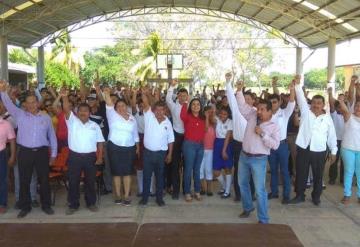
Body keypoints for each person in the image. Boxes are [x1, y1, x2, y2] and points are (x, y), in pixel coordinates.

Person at [0, 80, 57, 218]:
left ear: (38, 103)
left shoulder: (46, 118)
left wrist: (53, 155)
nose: (31, 105)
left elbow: (52, 137)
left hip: (42, 152)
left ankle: (46, 205)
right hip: (24, 152)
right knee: (24, 180)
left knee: (44, 180)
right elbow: (8, 104)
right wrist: (2, 91)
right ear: (24, 104)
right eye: (28, 102)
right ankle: (25, 206)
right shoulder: (19, 115)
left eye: (34, 102)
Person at [236, 81, 280, 224]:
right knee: (242, 184)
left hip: (259, 160)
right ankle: (248, 207)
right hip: (244, 156)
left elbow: (275, 145)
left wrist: (263, 134)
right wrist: (239, 89)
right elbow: (242, 106)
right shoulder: (252, 115)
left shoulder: (274, 127)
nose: (258, 111)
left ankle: (263, 218)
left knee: (260, 191)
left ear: (269, 111)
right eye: (258, 108)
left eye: (262, 109)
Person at [288, 77, 337, 206]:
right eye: (314, 102)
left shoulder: (327, 118)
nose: (315, 105)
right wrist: (298, 85)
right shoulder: (305, 112)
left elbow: (331, 135)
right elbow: (300, 97)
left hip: (319, 150)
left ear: (323, 105)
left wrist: (333, 151)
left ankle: (316, 197)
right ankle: (300, 195)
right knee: (301, 173)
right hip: (304, 147)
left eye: (319, 103)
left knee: (318, 175)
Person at [61, 88, 104, 215]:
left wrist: (100, 157)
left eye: (85, 111)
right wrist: (64, 97)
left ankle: (91, 203)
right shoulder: (72, 122)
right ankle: (73, 205)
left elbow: (100, 143)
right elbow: (66, 109)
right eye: (80, 110)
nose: (83, 113)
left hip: (90, 157)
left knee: (90, 181)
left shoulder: (95, 126)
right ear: (77, 112)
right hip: (75, 157)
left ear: (89, 113)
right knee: (73, 181)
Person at [104, 87, 139, 206]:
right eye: (118, 106)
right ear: (115, 108)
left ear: (126, 106)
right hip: (114, 147)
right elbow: (108, 103)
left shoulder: (132, 118)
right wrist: (106, 93)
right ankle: (118, 195)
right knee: (117, 172)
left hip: (129, 148)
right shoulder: (112, 115)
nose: (121, 107)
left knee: (127, 172)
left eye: (123, 105)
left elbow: (135, 134)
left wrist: (137, 146)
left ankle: (127, 195)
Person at [139, 87, 174, 206]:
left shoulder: (168, 122)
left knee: (160, 177)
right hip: (148, 153)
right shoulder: (149, 116)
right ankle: (144, 198)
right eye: (157, 110)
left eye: (161, 110)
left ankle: (159, 199)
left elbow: (171, 140)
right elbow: (145, 103)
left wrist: (169, 154)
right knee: (146, 176)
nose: (159, 112)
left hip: (161, 154)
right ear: (154, 110)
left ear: (165, 111)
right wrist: (144, 93)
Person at [267, 78, 295, 204]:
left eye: (274, 101)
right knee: (273, 170)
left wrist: (292, 89)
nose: (273, 104)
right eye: (271, 102)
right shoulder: (265, 115)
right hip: (269, 146)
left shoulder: (285, 113)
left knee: (284, 171)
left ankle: (286, 195)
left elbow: (292, 102)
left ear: (279, 102)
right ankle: (274, 192)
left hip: (282, 146)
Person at [225, 74, 247, 201]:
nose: (246, 101)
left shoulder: (256, 113)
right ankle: (238, 195)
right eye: (244, 99)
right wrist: (229, 83)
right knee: (238, 171)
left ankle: (251, 194)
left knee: (251, 172)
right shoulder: (237, 113)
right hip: (238, 145)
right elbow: (232, 99)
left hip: (252, 146)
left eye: (249, 100)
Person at [166, 79, 188, 199]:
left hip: (187, 137)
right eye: (180, 95)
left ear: (187, 96)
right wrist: (172, 86)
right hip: (176, 136)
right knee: (175, 165)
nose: (182, 97)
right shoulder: (174, 106)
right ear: (178, 96)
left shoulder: (190, 107)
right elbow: (168, 98)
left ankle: (186, 190)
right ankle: (175, 190)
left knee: (186, 164)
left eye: (185, 95)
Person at [181, 98, 206, 202]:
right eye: (193, 104)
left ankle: (197, 191)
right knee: (188, 169)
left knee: (197, 170)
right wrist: (186, 102)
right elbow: (182, 115)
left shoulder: (203, 118)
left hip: (200, 145)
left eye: (198, 104)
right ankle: (187, 192)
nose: (196, 106)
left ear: (201, 107)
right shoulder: (187, 117)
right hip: (189, 145)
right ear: (190, 106)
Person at [339, 95, 360, 204]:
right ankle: (347, 195)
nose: (358, 108)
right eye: (357, 106)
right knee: (349, 171)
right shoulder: (348, 116)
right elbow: (344, 108)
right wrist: (341, 101)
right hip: (348, 148)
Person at [212, 105, 233, 199]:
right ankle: (224, 186)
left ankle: (227, 191)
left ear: (228, 115)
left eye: (225, 114)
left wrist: (224, 151)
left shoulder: (230, 122)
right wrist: (214, 110)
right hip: (217, 144)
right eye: (221, 113)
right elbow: (212, 115)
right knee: (216, 171)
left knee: (227, 169)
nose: (222, 115)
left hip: (226, 145)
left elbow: (228, 137)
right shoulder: (217, 120)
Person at [0, 109, 16, 214]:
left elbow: (12, 141)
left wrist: (12, 156)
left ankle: (2, 203)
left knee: (2, 180)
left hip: (1, 154)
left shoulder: (6, 124)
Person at [328, 87, 345, 185]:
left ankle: (342, 179)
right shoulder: (334, 114)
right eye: (339, 107)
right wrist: (330, 93)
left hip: (345, 141)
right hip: (335, 141)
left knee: (344, 162)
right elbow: (331, 103)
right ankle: (332, 178)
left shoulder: (347, 114)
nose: (340, 108)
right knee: (334, 160)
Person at [200, 105, 216, 196]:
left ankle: (209, 189)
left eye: (211, 112)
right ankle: (203, 188)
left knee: (208, 169)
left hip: (210, 150)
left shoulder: (214, 122)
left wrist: (211, 115)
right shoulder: (202, 121)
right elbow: (205, 129)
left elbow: (213, 121)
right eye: (207, 112)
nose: (209, 114)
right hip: (201, 148)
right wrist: (206, 117)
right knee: (200, 169)